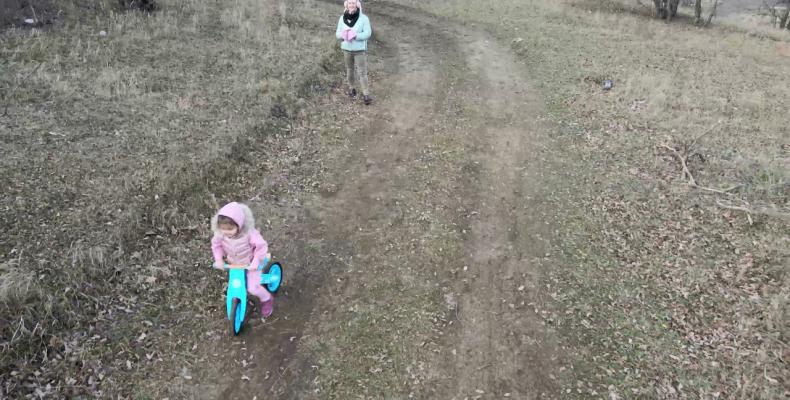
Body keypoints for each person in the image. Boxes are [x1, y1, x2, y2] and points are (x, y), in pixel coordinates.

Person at [211, 202, 273, 318]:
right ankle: (237, 302)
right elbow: (216, 246)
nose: (226, 232)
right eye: (223, 228)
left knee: (252, 288)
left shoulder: (249, 234)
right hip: (234, 263)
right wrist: (219, 259)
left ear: (239, 225)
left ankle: (267, 299)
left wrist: (255, 262)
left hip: (251, 262)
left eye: (230, 229)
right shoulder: (220, 234)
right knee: (236, 285)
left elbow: (261, 247)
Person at [335, 0, 373, 105]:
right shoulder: (342, 18)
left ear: (357, 5)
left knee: (362, 72)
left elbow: (368, 33)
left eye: (353, 3)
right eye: (349, 3)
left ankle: (366, 94)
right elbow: (337, 33)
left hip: (359, 50)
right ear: (346, 5)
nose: (351, 5)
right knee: (349, 70)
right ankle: (352, 89)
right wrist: (344, 35)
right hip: (346, 49)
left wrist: (355, 35)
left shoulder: (364, 18)